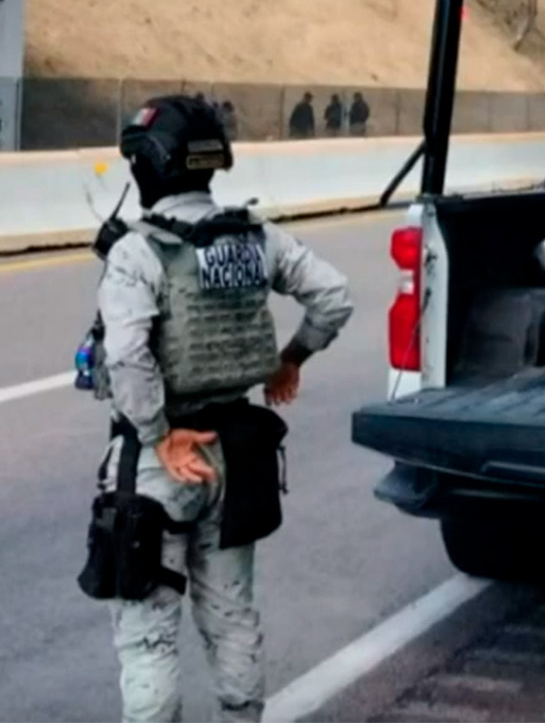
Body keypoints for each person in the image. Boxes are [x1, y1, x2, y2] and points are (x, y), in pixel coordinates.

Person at [95, 94, 353, 722]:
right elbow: (333, 297)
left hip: (165, 464)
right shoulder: (257, 237)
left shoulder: (139, 252)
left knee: (149, 634)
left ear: (150, 165)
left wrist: (159, 435)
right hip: (236, 453)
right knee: (232, 616)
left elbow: (128, 358)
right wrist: (292, 357)